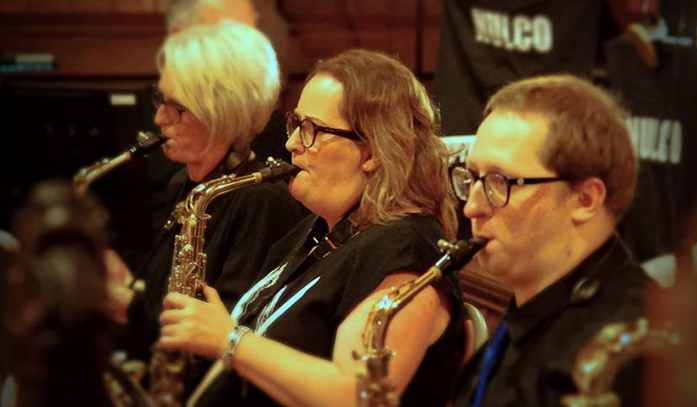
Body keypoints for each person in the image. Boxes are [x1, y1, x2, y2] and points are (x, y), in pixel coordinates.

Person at [154, 49, 463, 407]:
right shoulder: (321, 230)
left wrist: (230, 341)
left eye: (312, 129)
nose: (291, 144)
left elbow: (357, 396)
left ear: (373, 151)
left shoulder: (408, 255)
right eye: (295, 124)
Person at [448, 75, 657, 407]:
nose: (472, 207)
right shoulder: (532, 310)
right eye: (471, 178)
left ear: (585, 199)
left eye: (500, 181)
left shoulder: (626, 351)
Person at [105, 21, 303, 369]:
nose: (158, 118)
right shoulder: (181, 183)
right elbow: (164, 299)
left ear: (223, 114)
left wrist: (129, 307)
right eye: (158, 99)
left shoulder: (261, 201)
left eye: (176, 107)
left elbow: (232, 331)